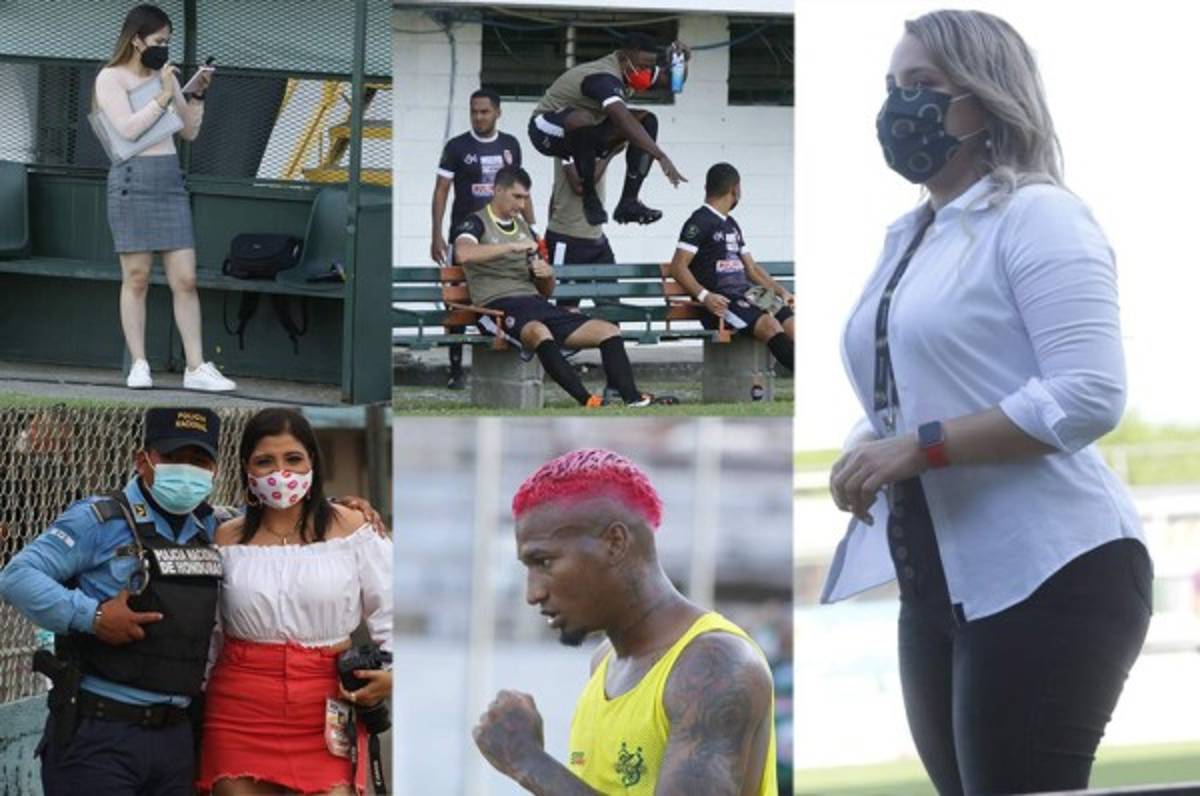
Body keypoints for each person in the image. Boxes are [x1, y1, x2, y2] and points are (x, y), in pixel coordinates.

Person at [825, 10, 1152, 794]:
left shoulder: (1040, 215)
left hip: (1054, 572)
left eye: (922, 86)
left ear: (983, 100)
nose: (898, 105)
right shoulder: (911, 234)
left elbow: (1089, 393)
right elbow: (909, 393)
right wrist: (866, 441)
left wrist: (917, 447)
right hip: (936, 581)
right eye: (891, 86)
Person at [473, 449, 777, 794]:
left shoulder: (716, 666)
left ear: (615, 543)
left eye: (544, 562)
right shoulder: (604, 661)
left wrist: (527, 761)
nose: (533, 593)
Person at [0, 408, 226, 795]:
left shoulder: (213, 528)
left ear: (214, 470)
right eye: (173, 459)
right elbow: (17, 577)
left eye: (199, 461)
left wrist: (349, 508)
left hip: (176, 738)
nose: (187, 471)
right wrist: (93, 616)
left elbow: (286, 523)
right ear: (143, 460)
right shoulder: (99, 519)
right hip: (101, 733)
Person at [196, 408, 392, 795]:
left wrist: (393, 673)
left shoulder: (354, 529)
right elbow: (211, 633)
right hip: (238, 705)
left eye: (293, 459)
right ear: (246, 470)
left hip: (328, 702)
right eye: (264, 461)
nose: (279, 473)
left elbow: (392, 608)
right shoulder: (225, 539)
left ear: (312, 463)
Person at [94, 4, 235, 392]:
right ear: (137, 39)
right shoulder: (111, 78)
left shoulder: (164, 77)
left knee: (185, 278)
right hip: (131, 178)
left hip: (168, 179)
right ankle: (139, 363)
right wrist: (161, 95)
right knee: (136, 277)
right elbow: (127, 129)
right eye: (158, 41)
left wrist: (195, 94)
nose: (162, 48)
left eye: (167, 42)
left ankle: (196, 367)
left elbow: (188, 132)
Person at [453, 165, 673, 408]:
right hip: (495, 308)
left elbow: (546, 292)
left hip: (535, 303)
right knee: (539, 332)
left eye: (525, 198)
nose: (522, 205)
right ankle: (588, 400)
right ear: (497, 190)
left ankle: (633, 398)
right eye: (517, 197)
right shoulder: (476, 222)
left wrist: (547, 275)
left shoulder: (523, 228)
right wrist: (510, 247)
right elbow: (462, 253)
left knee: (608, 331)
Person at [528, 32, 688, 227]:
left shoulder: (633, 69)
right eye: (641, 66)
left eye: (648, 67)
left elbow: (671, 81)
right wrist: (660, 155)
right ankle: (590, 197)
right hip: (545, 129)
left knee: (647, 120)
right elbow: (621, 117)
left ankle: (629, 202)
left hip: (588, 131)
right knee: (586, 119)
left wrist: (682, 63)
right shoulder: (603, 76)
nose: (645, 72)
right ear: (623, 57)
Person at [432, 88, 534, 390]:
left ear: (497, 112)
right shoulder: (456, 146)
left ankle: (512, 345)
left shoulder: (510, 145)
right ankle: (455, 369)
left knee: (512, 287)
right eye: (474, 111)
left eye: (484, 112)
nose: (478, 117)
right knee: (456, 301)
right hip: (465, 233)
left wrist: (532, 226)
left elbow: (522, 189)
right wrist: (436, 233)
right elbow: (441, 190)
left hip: (504, 231)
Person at [669, 163, 794, 373]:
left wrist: (781, 292)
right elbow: (677, 267)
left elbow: (751, 268)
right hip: (722, 300)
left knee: (792, 322)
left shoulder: (732, 224)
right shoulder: (699, 221)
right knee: (770, 327)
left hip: (748, 292)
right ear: (735, 189)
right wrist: (705, 296)